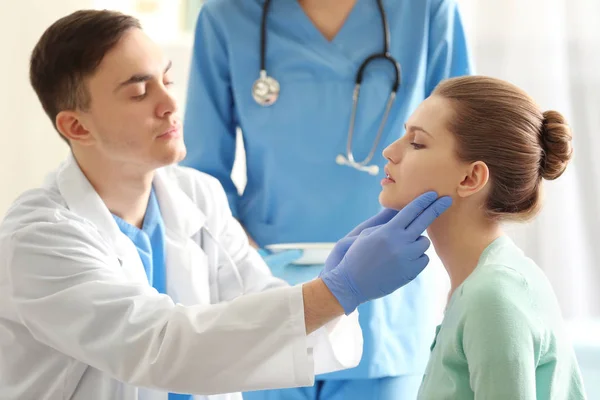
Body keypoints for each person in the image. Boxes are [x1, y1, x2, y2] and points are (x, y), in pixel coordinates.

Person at [0, 9, 452, 400]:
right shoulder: (39, 239)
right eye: (140, 92)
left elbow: (258, 307)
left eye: (168, 79)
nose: (169, 104)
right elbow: (158, 347)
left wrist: (332, 289)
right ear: (76, 127)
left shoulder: (197, 197)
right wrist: (337, 291)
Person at [182, 0, 472, 398]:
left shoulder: (426, 11)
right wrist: (241, 254)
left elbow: (463, 159)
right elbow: (202, 174)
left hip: (388, 301)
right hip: (267, 285)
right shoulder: (227, 16)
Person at [378, 75, 587, 399]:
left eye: (417, 142)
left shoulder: (491, 298)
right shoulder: (486, 282)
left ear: (471, 177)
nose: (390, 151)